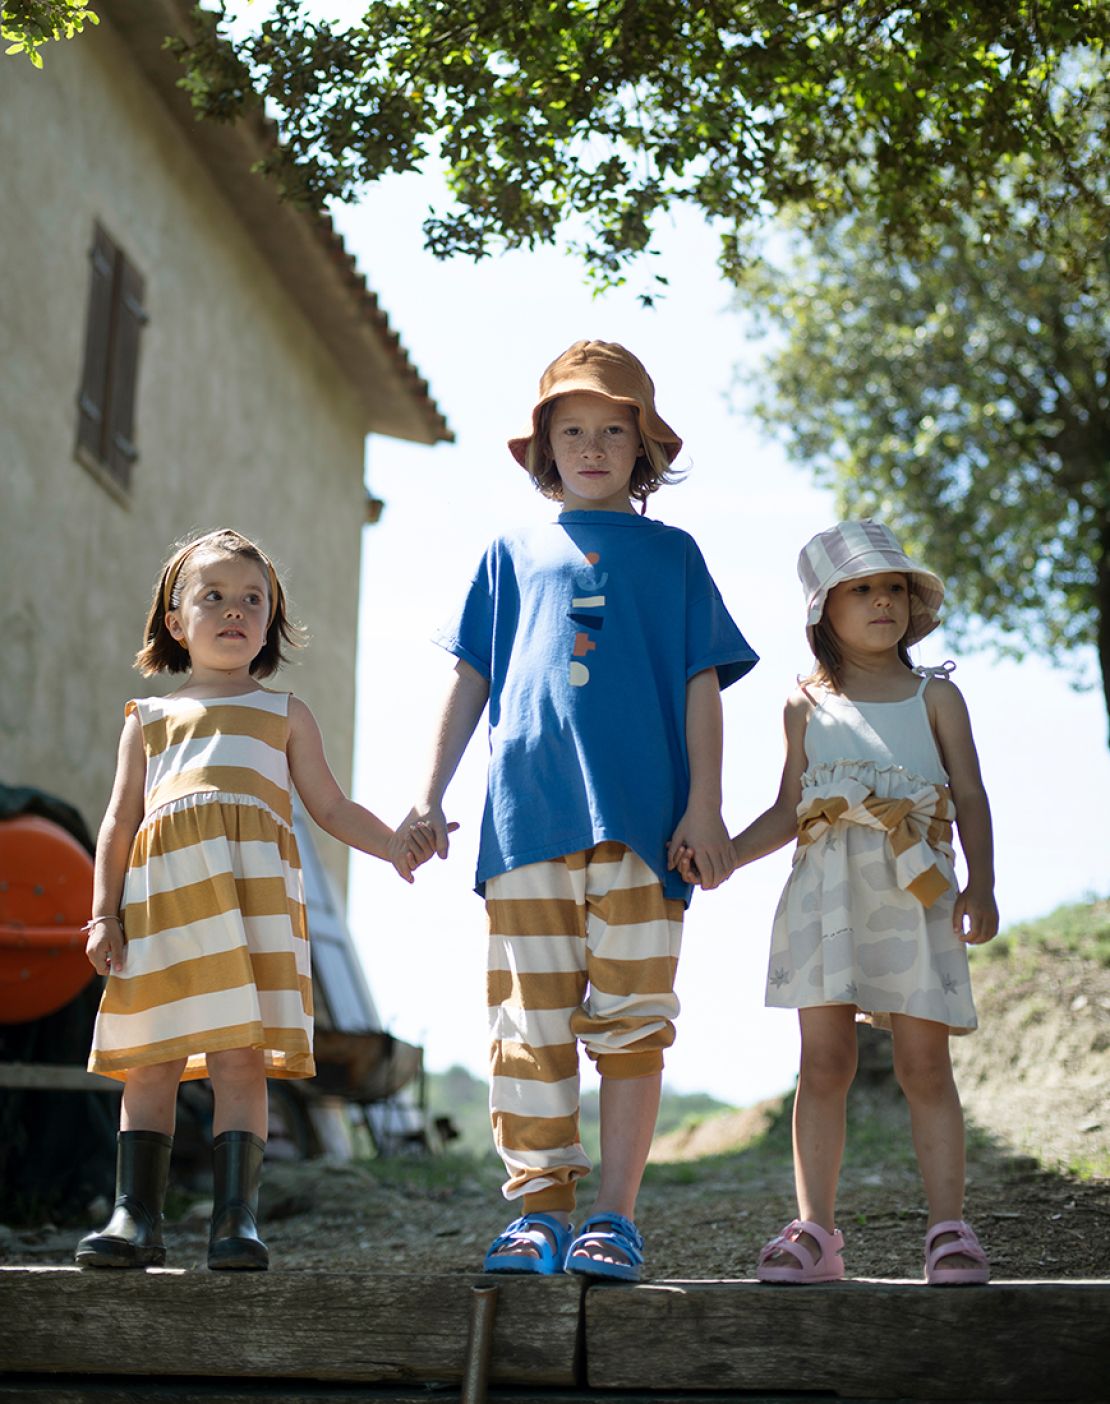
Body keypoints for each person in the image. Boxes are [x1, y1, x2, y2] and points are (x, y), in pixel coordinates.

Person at [395, 340, 758, 1281]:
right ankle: (540, 1211)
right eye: (571, 431)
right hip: (526, 825)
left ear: (644, 450)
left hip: (647, 828)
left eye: (612, 431)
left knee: (634, 1020)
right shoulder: (508, 553)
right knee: (529, 1023)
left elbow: (700, 686)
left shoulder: (675, 556)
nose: (592, 446)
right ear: (543, 450)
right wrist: (425, 793)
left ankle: (614, 1218)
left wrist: (706, 808)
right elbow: (469, 676)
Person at [76, 527, 428, 1272]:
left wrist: (394, 842)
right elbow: (118, 822)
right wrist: (103, 912)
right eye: (213, 598)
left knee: (241, 1061)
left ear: (269, 621)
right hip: (163, 912)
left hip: (249, 915)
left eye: (252, 600)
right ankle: (135, 1215)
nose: (233, 611)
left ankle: (237, 1221)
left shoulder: (285, 714)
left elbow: (331, 808)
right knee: (152, 1062)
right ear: (176, 622)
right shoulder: (149, 720)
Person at [679, 519, 998, 1286]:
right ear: (825, 610)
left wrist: (981, 884)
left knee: (926, 1065)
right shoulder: (804, 706)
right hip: (826, 899)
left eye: (894, 587)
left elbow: (973, 794)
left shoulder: (936, 696)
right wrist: (724, 855)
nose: (883, 600)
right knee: (822, 1064)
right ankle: (815, 1232)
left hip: (916, 892)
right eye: (862, 589)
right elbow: (793, 807)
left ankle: (948, 1229)